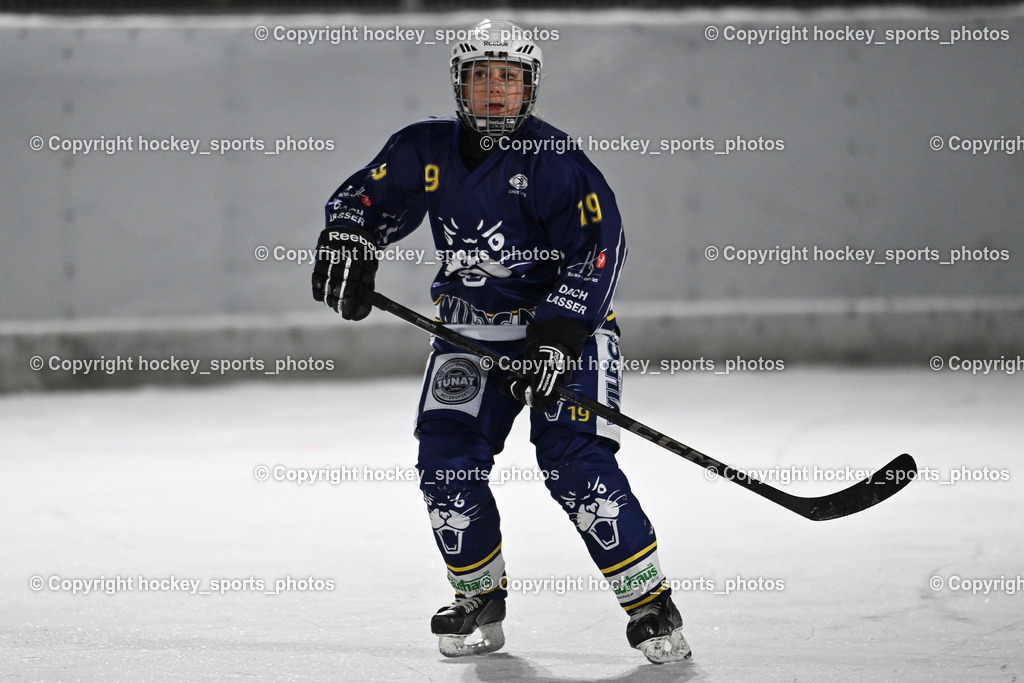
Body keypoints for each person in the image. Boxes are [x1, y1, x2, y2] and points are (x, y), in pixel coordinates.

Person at [311, 18, 690, 665]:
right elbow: (365, 198)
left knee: (574, 462)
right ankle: (478, 599)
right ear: (459, 84)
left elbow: (600, 251)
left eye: (508, 79)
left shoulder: (557, 164)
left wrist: (557, 339)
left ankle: (651, 603)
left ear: (530, 88)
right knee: (446, 462)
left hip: (568, 336)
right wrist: (350, 237)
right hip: (468, 336)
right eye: (481, 77)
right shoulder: (422, 149)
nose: (494, 91)